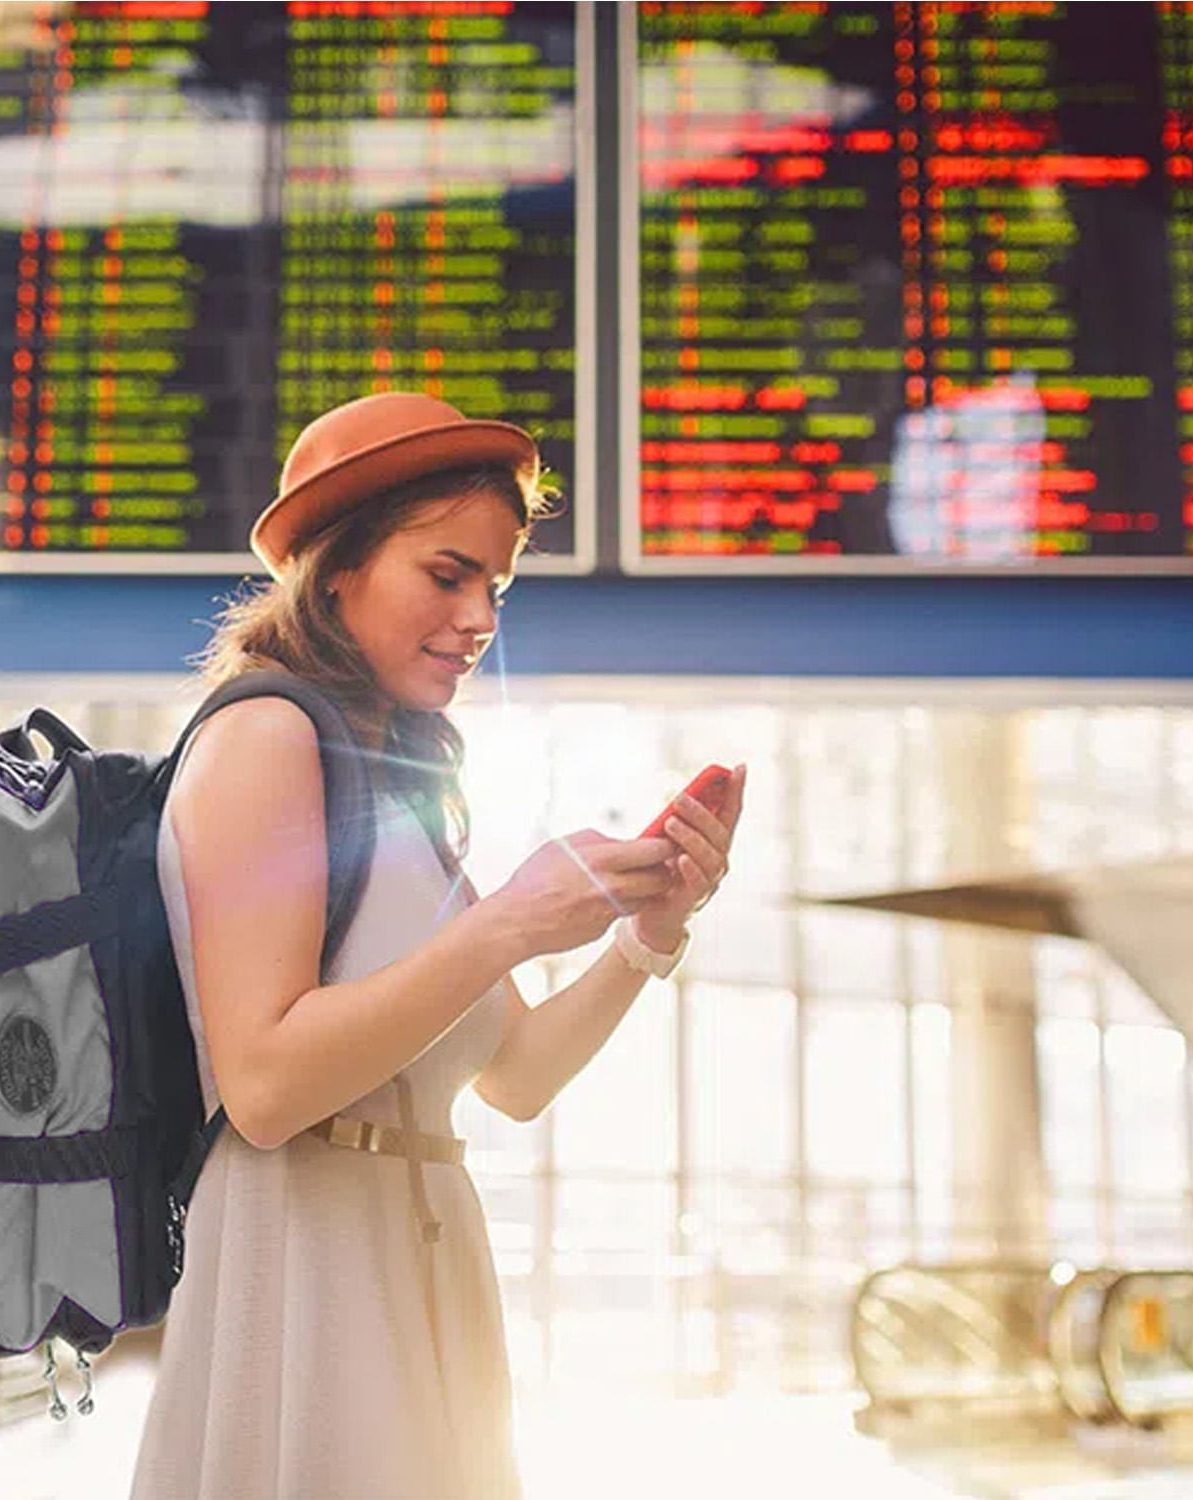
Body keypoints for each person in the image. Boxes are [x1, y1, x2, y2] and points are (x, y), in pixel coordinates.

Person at [128, 391, 745, 1500]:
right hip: (303, 1257)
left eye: (495, 588)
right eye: (447, 574)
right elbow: (265, 1087)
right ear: (339, 567)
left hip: (424, 1254)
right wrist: (507, 922)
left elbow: (513, 1077)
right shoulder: (265, 738)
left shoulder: (402, 794)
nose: (479, 620)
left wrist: (651, 936)